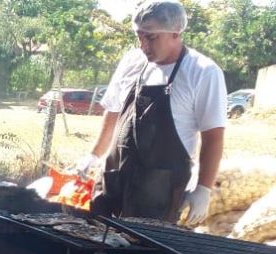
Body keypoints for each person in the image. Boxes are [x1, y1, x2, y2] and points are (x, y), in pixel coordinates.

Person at [76, 0, 225, 226]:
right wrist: (94, 155)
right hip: (114, 180)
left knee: (138, 253)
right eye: (139, 36)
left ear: (175, 32)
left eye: (151, 37)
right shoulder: (132, 61)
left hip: (158, 192)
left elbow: (213, 136)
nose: (143, 45)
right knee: (92, 238)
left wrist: (203, 188)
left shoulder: (202, 72)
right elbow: (113, 110)